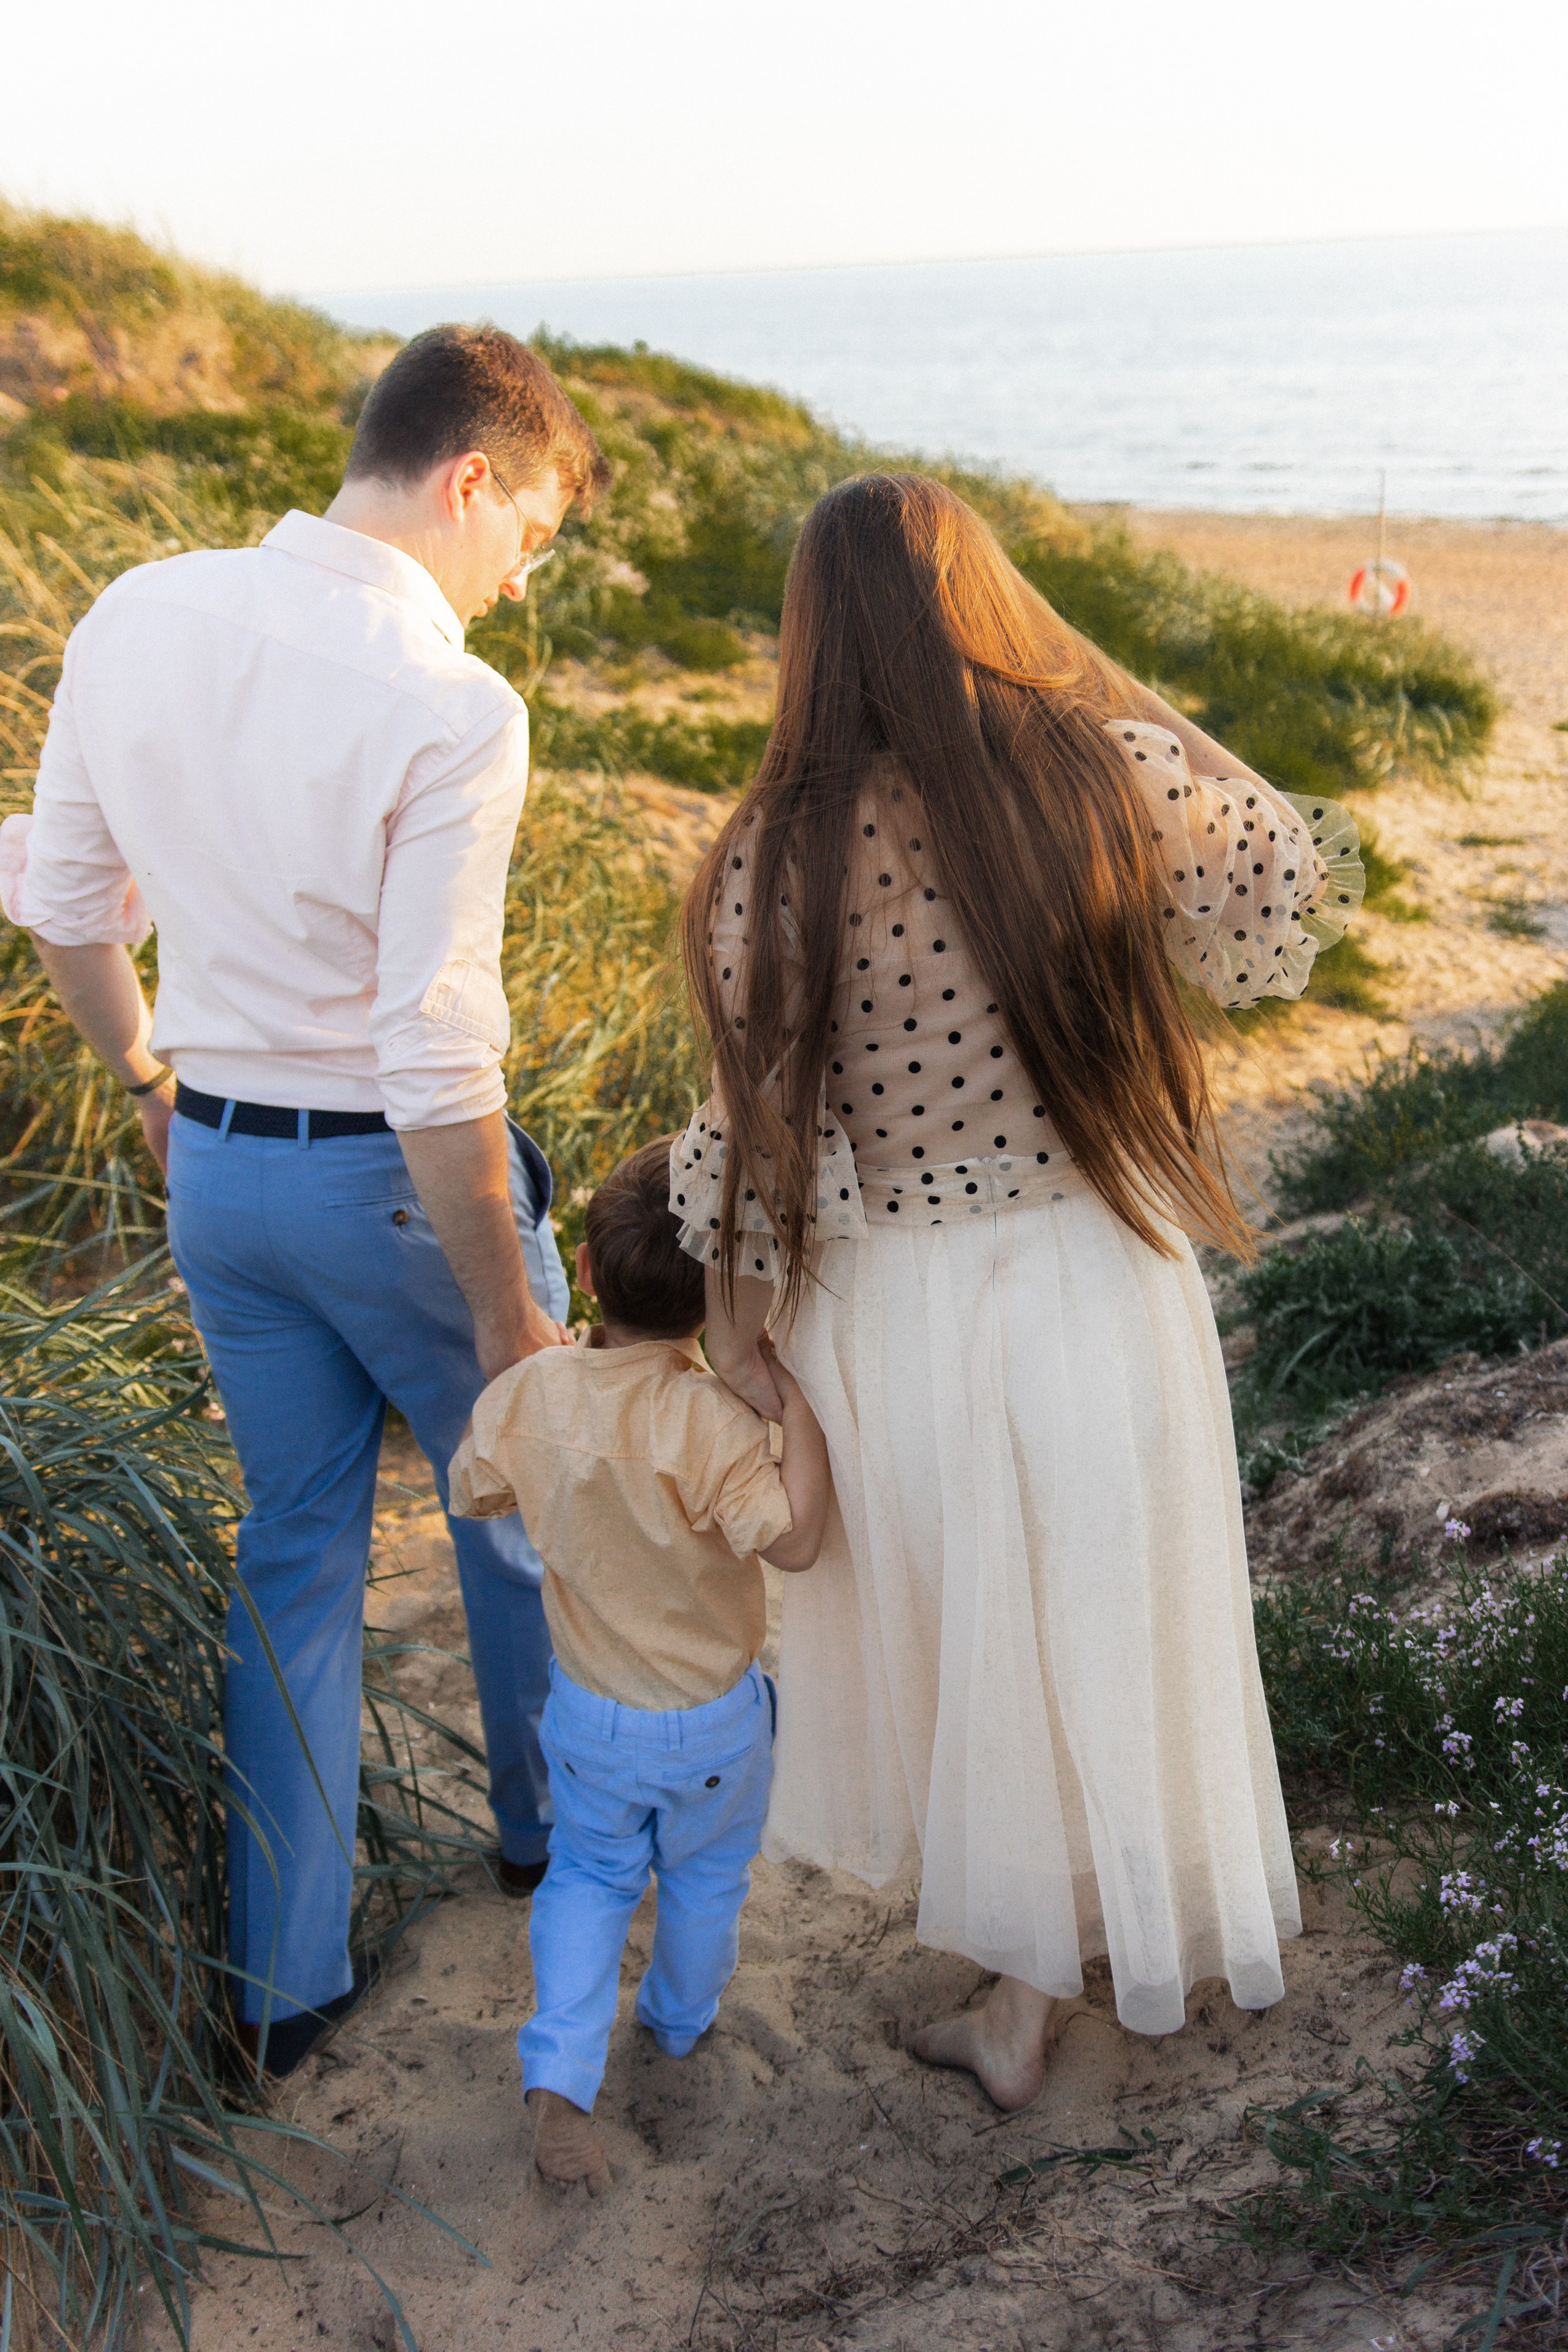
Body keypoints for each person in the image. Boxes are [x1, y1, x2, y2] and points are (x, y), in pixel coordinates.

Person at [673, 473, 1364, 2111]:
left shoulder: (771, 846)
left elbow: (755, 1126)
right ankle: (1067, 1950)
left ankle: (1022, 1990)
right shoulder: (1101, 781)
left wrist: (739, 1338)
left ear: (812, 637)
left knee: (975, 1633)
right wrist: (1097, 678)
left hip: (900, 1300)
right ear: (990, 608)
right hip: (1099, 1272)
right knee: (1093, 1611)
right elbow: (1282, 873)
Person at [0, 326, 611, 2076]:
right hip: (385, 1185)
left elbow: (62, 898)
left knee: (290, 1554)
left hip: (220, 1178)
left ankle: (282, 1988)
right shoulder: (451, 706)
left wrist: (144, 1082)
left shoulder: (139, 610)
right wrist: (508, 1314)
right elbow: (433, 1051)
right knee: (507, 1502)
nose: (519, 578)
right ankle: (541, 1834)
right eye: (533, 534)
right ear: (469, 477)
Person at [449, 1137, 832, 2192]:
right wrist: (798, 1414)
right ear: (718, 1297)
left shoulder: (531, 1397)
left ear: (582, 1270)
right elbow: (793, 1541)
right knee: (707, 1880)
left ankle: (563, 2075)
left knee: (586, 1878)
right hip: (713, 1719)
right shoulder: (712, 1423)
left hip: (589, 1718)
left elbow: (471, 1490)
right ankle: (674, 2023)